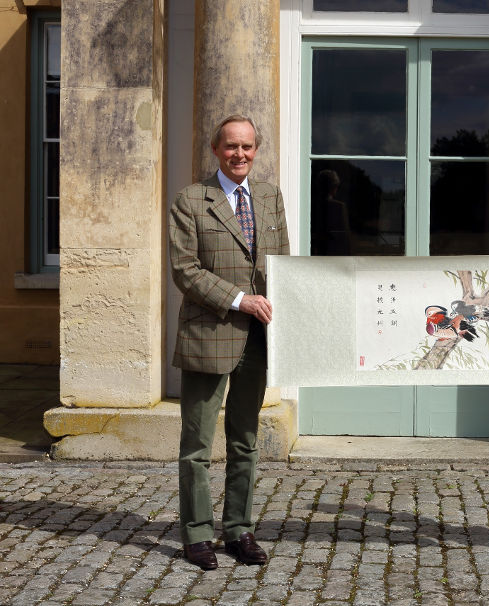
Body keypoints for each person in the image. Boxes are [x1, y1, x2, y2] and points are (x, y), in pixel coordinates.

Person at [169, 114, 289, 570]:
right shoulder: (191, 200)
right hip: (208, 335)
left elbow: (280, 265)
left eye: (248, 147)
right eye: (231, 147)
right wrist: (241, 300)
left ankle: (239, 529)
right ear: (216, 150)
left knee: (246, 441)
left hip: (256, 342)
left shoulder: (270, 196)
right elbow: (185, 271)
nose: (240, 154)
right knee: (197, 445)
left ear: (256, 150)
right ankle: (197, 535)